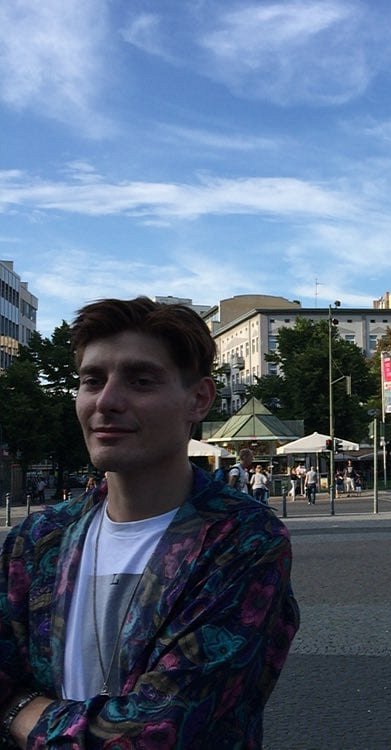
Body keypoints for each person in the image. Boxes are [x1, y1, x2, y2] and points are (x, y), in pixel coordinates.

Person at [0, 296, 299, 748]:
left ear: (199, 399)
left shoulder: (243, 540)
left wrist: (14, 710)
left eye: (140, 381)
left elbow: (159, 730)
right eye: (92, 381)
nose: (106, 401)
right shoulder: (38, 540)